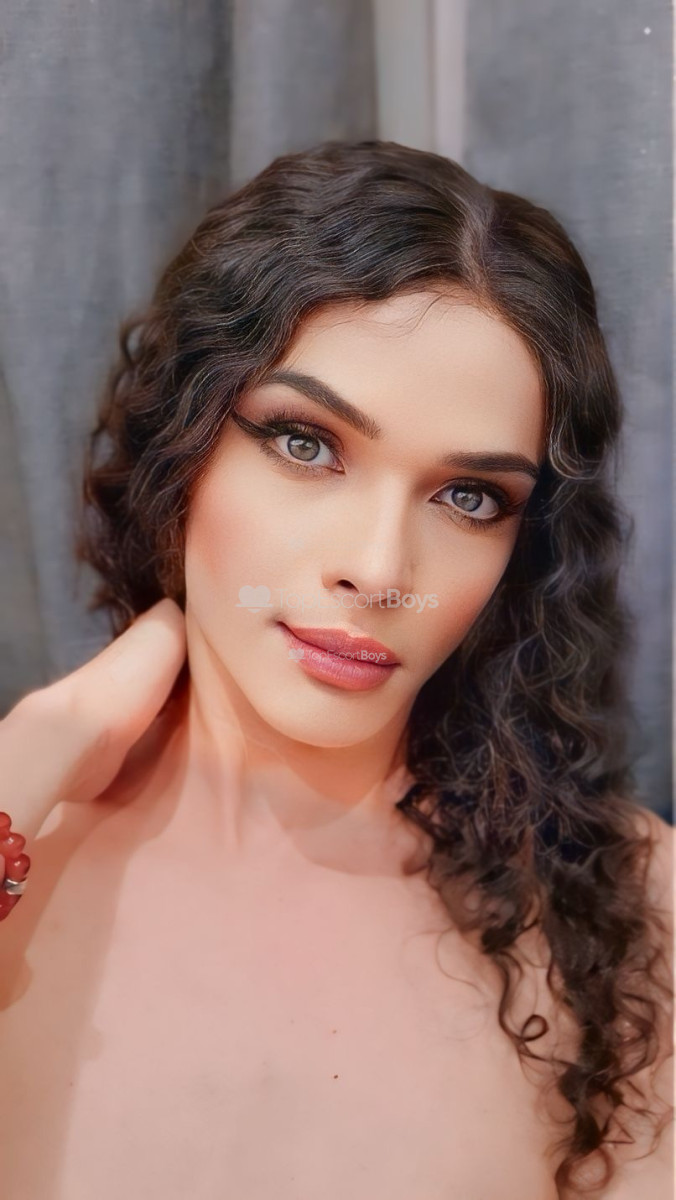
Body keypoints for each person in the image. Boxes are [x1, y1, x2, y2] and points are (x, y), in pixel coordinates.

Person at [0, 139, 673, 1199]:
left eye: (468, 498)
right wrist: (38, 746)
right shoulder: (24, 840)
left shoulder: (635, 919)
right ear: (185, 445)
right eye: (307, 445)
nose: (378, 569)